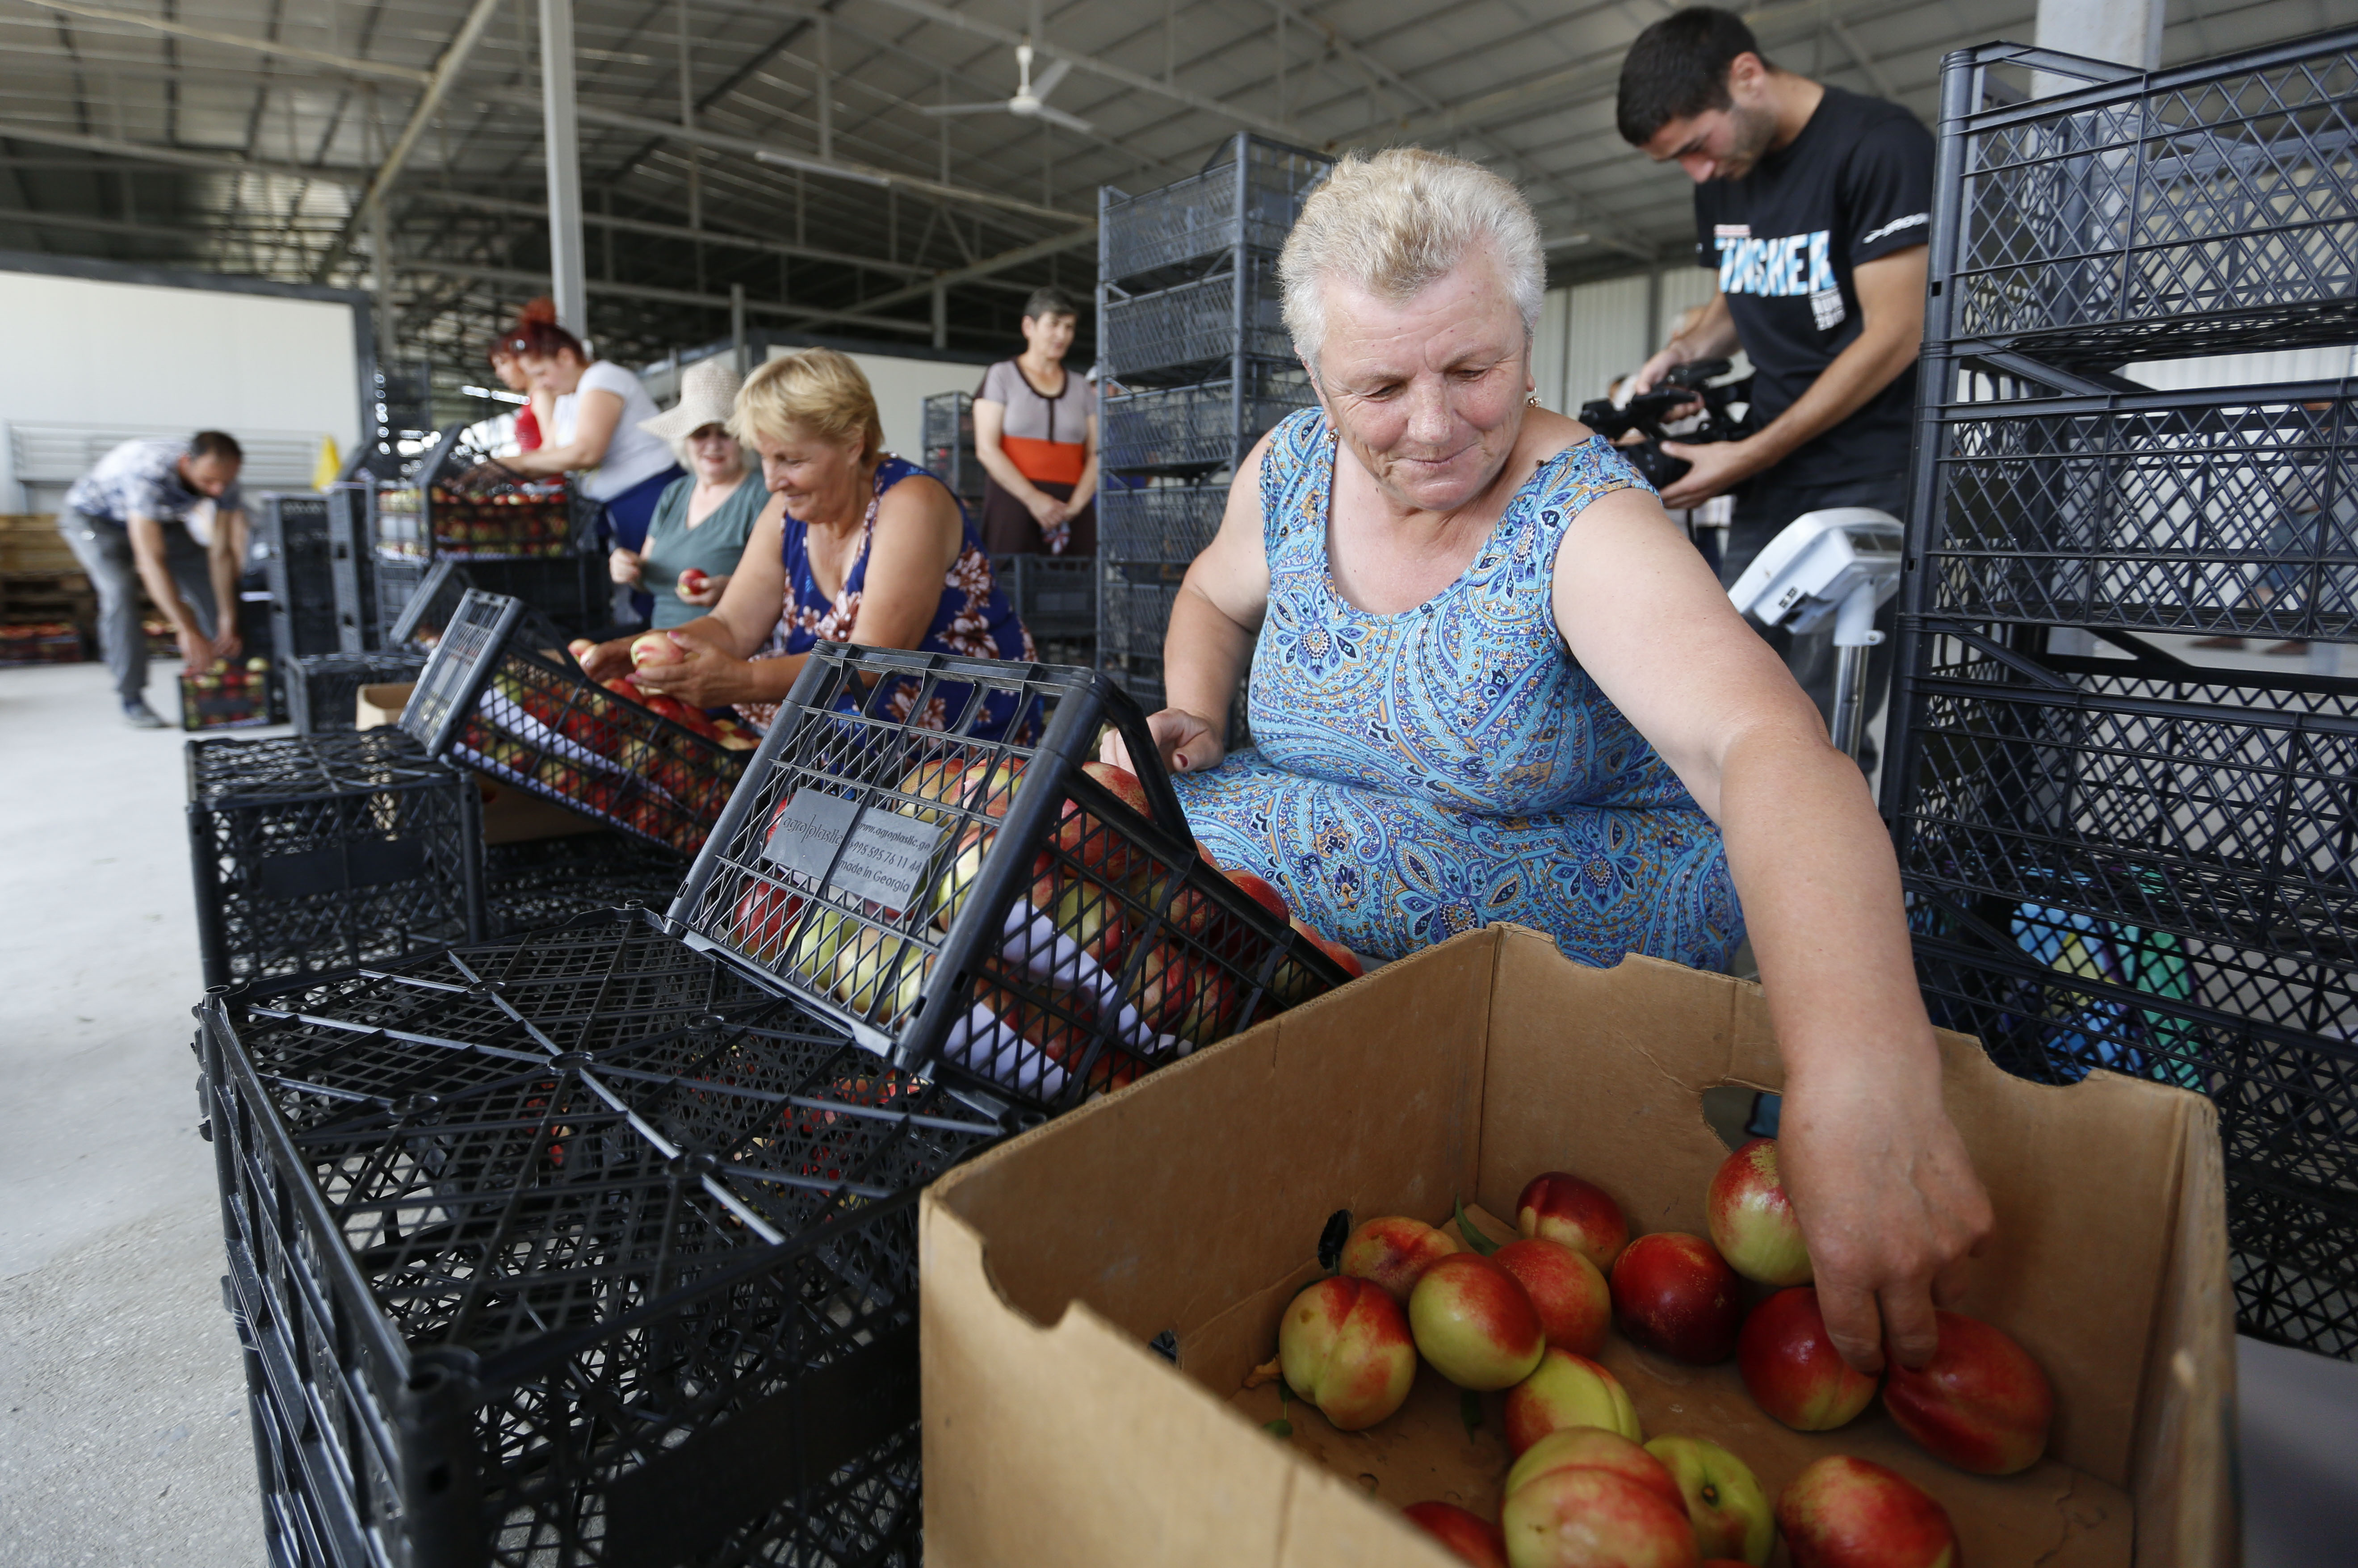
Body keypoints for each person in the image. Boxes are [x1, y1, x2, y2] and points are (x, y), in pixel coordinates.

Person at [1102, 148, 1989, 1376]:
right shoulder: (1289, 470)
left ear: (1527, 340)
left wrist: (1860, 1073)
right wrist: (1194, 710)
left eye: (1473, 370)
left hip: (1563, 964)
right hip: (1329, 955)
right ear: (1316, 378)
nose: (1433, 427)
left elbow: (1765, 748)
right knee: (1104, 810)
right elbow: (1211, 592)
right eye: (1378, 387)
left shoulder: (1579, 519)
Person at [1616, 8, 1932, 772]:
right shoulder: (1724, 175)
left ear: (1747, 76)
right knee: (1734, 686)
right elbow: (1738, 293)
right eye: (1678, 161)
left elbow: (1896, 333)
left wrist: (1749, 452)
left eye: (1696, 145)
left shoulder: (1879, 146)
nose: (1697, 172)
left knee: (1815, 712)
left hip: (1869, 470)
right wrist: (1680, 353)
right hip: (1769, 472)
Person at [576, 348, 1036, 737]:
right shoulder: (785, 512)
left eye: (792, 460)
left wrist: (744, 681)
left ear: (853, 443)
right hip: (846, 739)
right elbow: (732, 626)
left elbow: (871, 661)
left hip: (962, 749)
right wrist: (638, 648)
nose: (772, 481)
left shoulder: (910, 503)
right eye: (765, 458)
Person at [494, 298, 684, 623]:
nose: (542, 384)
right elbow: (551, 453)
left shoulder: (603, 378)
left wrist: (511, 464)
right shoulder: (569, 396)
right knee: (636, 587)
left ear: (566, 357)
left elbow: (586, 452)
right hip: (619, 505)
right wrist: (506, 468)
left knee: (660, 586)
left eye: (542, 373)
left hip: (650, 497)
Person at [56, 431, 248, 727]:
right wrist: (186, 627)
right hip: (97, 521)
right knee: (119, 592)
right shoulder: (148, 472)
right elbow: (151, 562)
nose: (217, 489)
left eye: (224, 482)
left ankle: (232, 681)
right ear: (186, 463)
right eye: (208, 482)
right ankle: (131, 697)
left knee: (208, 580)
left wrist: (227, 617)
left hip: (162, 518)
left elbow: (221, 552)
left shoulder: (224, 480)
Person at [617, 357, 768, 631]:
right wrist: (627, 569)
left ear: (742, 439)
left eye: (724, 433)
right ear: (684, 441)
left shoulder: (761, 495)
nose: (713, 445)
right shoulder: (675, 493)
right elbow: (646, 577)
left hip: (729, 643)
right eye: (700, 434)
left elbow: (782, 584)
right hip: (660, 642)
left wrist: (731, 590)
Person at [974, 286, 1099, 557]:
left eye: (1069, 327)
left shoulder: (1081, 387)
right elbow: (986, 449)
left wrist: (1076, 506)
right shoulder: (1002, 376)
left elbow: (1097, 453)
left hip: (1072, 509)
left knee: (1077, 579)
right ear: (1028, 327)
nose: (1062, 335)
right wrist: (1034, 499)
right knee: (1013, 578)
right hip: (1014, 504)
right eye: (1054, 325)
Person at [486, 333, 553, 453]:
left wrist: (516, 462)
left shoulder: (542, 396)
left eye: (503, 363)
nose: (499, 373)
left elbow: (553, 447)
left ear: (522, 360)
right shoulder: (532, 400)